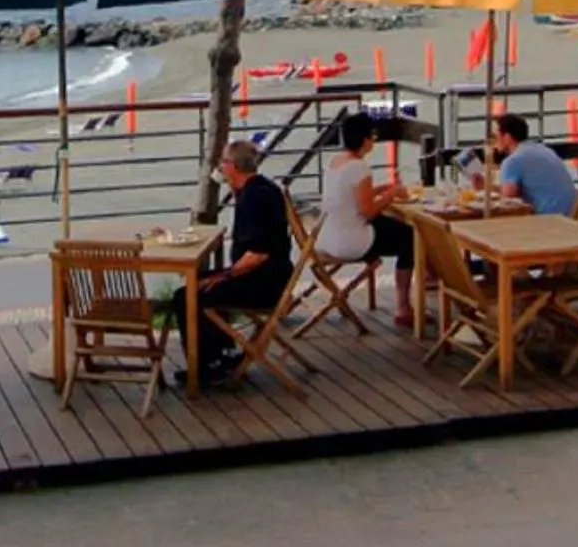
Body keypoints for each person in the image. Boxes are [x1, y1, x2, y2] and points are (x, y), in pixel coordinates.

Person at [173, 141, 297, 385]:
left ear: (233, 166)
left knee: (186, 295)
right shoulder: (260, 189)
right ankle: (221, 353)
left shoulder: (253, 198)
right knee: (197, 282)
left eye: (223, 162)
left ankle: (207, 366)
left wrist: (223, 275)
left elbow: (258, 254)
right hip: (273, 275)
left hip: (264, 283)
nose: (220, 167)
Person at [314, 111, 420, 329]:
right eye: (372, 135)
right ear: (364, 140)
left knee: (392, 227)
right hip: (350, 241)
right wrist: (390, 196)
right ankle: (403, 307)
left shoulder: (336, 161)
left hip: (327, 237)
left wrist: (382, 189)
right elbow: (367, 211)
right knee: (410, 237)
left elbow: (352, 195)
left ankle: (411, 298)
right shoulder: (359, 167)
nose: (374, 139)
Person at [490, 113, 578, 217]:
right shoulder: (544, 150)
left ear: (507, 137)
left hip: (549, 220)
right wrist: (487, 188)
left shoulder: (512, 161)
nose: (493, 142)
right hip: (573, 215)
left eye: (495, 136)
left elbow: (507, 203)